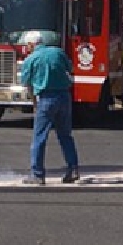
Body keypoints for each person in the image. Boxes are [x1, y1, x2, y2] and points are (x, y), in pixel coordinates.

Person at [20, 33, 79, 185]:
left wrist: (34, 104)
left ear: (31, 45)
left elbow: (27, 84)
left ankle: (38, 174)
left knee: (39, 137)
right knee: (65, 135)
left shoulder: (30, 60)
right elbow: (70, 68)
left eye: (27, 45)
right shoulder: (57, 52)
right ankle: (72, 168)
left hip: (46, 98)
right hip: (64, 96)